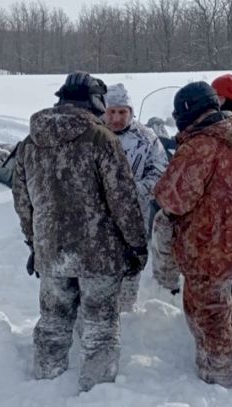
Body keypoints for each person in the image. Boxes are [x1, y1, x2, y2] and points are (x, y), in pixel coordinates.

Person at [11, 72, 147, 392]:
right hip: (99, 255)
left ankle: (45, 386)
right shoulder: (102, 139)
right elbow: (124, 200)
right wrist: (136, 246)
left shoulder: (29, 143)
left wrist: (34, 243)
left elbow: (22, 200)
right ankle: (97, 394)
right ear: (95, 102)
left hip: (52, 252)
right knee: (100, 328)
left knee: (53, 322)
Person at [154, 81, 232, 388]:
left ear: (186, 112)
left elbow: (172, 199)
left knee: (211, 318)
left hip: (209, 254)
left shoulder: (200, 147)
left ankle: (218, 381)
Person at [103, 83, 168, 312]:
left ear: (131, 111)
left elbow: (160, 171)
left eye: (122, 112)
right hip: (99, 219)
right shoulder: (94, 135)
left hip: (135, 216)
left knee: (131, 265)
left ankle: (126, 311)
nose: (116, 118)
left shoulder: (146, 137)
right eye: (112, 111)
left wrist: (135, 190)